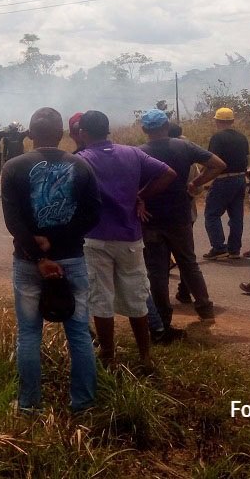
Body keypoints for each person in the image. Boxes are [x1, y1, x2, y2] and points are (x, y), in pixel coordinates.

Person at [1, 107, 101, 413]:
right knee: (79, 332)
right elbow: (92, 215)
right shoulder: (81, 166)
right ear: (61, 135)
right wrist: (58, 243)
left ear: (30, 135)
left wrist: (40, 254)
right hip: (72, 258)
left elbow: (13, 221)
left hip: (29, 263)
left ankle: (29, 406)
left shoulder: (13, 167)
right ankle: (83, 404)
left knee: (29, 333)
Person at [77, 111, 176, 371]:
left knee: (101, 298)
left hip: (96, 238)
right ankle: (145, 356)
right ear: (108, 129)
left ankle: (109, 357)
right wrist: (140, 196)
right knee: (136, 295)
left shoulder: (82, 160)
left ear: (84, 133)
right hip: (130, 237)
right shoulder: (132, 153)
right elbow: (168, 174)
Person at [138, 109, 225, 338]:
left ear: (145, 130)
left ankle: (163, 319)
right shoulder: (184, 146)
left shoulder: (140, 153)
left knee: (157, 271)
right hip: (180, 216)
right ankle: (205, 309)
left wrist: (139, 200)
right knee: (188, 262)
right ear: (167, 125)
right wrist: (196, 183)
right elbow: (218, 164)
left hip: (151, 220)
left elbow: (132, 186)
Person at [204, 107, 250, 260]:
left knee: (211, 214)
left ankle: (218, 247)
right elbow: (246, 159)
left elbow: (212, 162)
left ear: (217, 121)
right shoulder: (242, 137)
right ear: (232, 121)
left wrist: (205, 179)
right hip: (240, 179)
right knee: (237, 216)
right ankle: (234, 250)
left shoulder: (217, 138)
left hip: (224, 179)